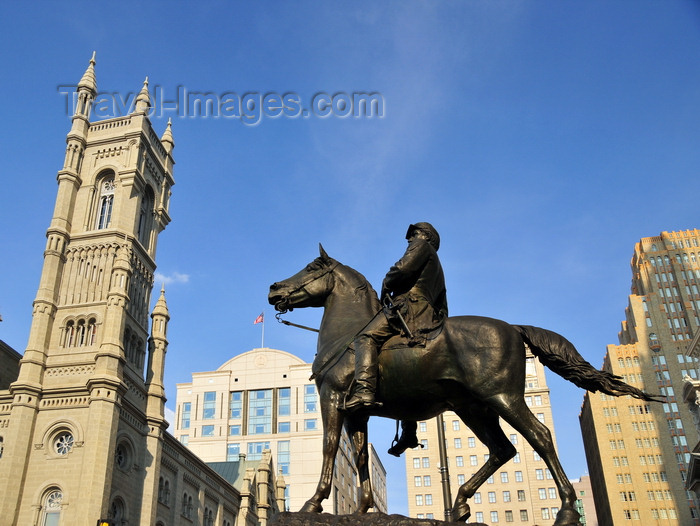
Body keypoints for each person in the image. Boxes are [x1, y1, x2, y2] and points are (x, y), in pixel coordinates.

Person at [344, 222, 448, 455]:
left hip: (407, 309)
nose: (410, 239)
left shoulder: (421, 246)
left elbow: (403, 269)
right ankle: (409, 433)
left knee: (365, 337)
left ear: (424, 236)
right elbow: (443, 304)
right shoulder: (438, 268)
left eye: (413, 235)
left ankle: (364, 392)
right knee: (402, 370)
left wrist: (387, 282)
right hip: (427, 315)